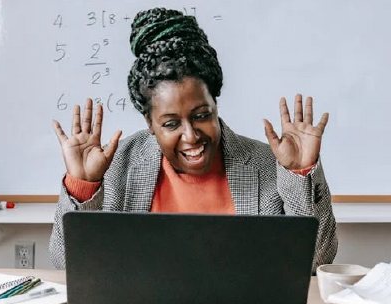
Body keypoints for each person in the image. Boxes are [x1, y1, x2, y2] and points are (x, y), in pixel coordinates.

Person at [50, 7, 337, 272]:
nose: (190, 136)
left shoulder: (267, 164)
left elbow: (314, 262)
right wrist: (84, 188)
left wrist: (300, 174)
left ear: (215, 105)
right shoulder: (115, 167)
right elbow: (67, 265)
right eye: (171, 123)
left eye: (201, 116)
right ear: (150, 123)